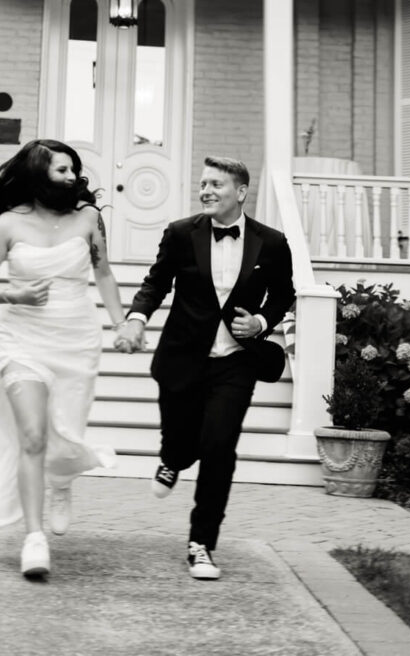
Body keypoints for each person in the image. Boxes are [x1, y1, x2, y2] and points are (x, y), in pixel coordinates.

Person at [0, 139, 126, 580]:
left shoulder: (88, 219)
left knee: (66, 427)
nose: (71, 178)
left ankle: (60, 483)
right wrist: (16, 292)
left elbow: (103, 274)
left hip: (76, 339)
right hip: (21, 339)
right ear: (36, 175)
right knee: (32, 434)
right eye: (61, 171)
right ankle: (33, 537)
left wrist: (122, 324)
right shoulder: (7, 225)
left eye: (72, 170)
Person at [115, 156, 294, 581]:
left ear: (241, 191)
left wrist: (262, 323)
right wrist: (137, 319)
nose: (206, 190)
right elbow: (156, 282)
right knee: (180, 438)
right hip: (182, 356)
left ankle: (201, 544)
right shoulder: (181, 233)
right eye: (203, 184)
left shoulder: (271, 242)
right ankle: (172, 459)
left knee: (218, 447)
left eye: (216, 184)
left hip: (235, 363)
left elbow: (283, 294)